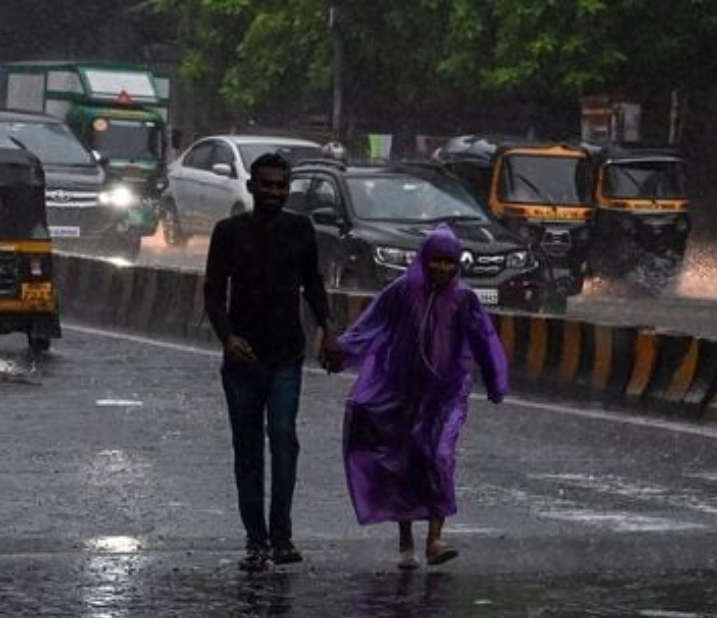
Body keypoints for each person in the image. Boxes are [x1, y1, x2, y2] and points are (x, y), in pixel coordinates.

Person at [334, 224, 508, 569]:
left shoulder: (464, 299)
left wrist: (494, 380)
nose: (441, 269)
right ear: (424, 260)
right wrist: (339, 351)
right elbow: (370, 326)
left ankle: (435, 538)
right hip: (402, 391)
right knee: (405, 460)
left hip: (446, 394)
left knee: (439, 456)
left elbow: (484, 340)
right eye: (435, 261)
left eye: (449, 262)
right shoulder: (401, 293)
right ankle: (405, 540)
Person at [203, 152, 340, 572]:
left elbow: (312, 283)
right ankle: (255, 540)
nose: (273, 193)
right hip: (243, 360)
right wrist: (228, 338)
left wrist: (328, 328)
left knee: (283, 438)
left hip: (286, 355)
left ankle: (282, 536)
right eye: (266, 185)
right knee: (247, 450)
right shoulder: (228, 232)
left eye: (281, 187)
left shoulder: (300, 231)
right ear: (252, 187)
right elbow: (213, 293)